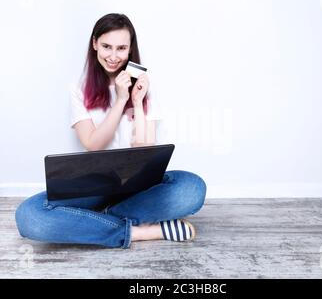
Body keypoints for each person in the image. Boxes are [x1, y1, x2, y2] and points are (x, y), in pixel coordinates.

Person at [15, 13, 207, 248]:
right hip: (93, 185)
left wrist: (136, 102)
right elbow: (93, 143)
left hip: (138, 186)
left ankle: (98, 219)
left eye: (121, 48)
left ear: (130, 50)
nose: (114, 57)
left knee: (192, 188)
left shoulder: (144, 84)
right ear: (94, 43)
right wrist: (119, 100)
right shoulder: (79, 87)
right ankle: (140, 232)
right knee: (29, 215)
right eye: (107, 46)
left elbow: (145, 150)